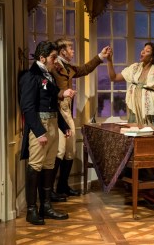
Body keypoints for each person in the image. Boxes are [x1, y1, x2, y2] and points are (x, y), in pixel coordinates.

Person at [19, 41, 75, 225]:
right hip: (40, 126)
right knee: (35, 166)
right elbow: (27, 107)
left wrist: (62, 124)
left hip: (51, 123)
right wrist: (39, 132)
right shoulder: (31, 76)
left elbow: (53, 102)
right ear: (42, 58)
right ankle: (31, 210)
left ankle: (46, 206)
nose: (55, 60)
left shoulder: (48, 76)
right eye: (52, 57)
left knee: (49, 165)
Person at [50, 38, 111, 201]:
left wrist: (100, 56)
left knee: (70, 151)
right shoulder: (54, 67)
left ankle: (63, 186)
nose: (73, 51)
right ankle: (49, 191)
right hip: (57, 112)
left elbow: (84, 69)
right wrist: (62, 93)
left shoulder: (67, 67)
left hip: (67, 111)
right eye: (70, 48)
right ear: (62, 51)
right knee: (60, 151)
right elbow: (48, 89)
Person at [106, 42, 154, 129]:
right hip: (135, 110)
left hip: (150, 112)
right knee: (135, 136)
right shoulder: (134, 68)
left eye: (147, 51)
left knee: (151, 135)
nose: (142, 52)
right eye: (143, 49)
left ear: (152, 57)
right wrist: (109, 60)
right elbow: (114, 77)